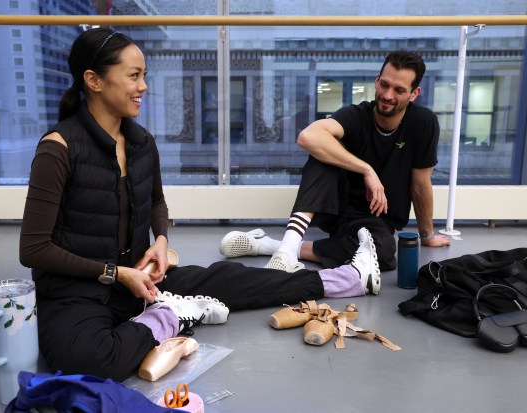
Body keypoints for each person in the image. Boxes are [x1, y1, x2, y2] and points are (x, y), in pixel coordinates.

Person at [19, 27, 381, 383]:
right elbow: (34, 250)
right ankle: (172, 314)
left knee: (235, 281)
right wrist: (117, 274)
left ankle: (347, 277)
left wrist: (160, 241)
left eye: (144, 75)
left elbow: (157, 203)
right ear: (93, 81)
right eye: (133, 76)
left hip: (137, 280)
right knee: (90, 361)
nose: (143, 86)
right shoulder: (58, 149)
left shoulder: (140, 142)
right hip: (77, 291)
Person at [220, 50, 451, 278]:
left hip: (375, 217)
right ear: (377, 80)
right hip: (335, 208)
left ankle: (271, 246)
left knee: (383, 255)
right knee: (322, 153)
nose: (388, 95)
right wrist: (366, 169)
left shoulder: (423, 123)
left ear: (414, 93)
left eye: (399, 90)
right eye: (384, 85)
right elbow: (307, 137)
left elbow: (421, 184)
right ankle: (288, 250)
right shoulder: (357, 115)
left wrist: (427, 235)